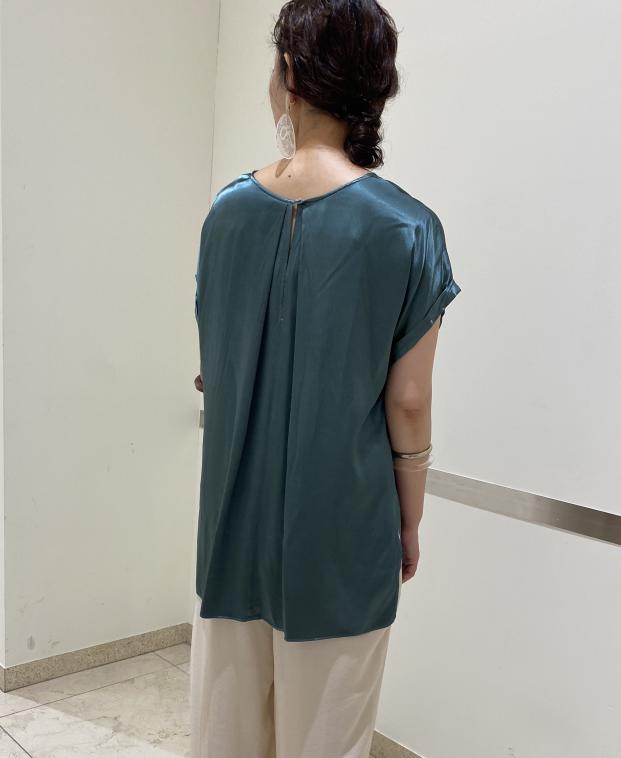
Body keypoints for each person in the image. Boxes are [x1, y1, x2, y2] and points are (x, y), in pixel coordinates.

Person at [189, 1, 462, 756]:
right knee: (327, 740)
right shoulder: (409, 228)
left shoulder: (226, 213)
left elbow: (217, 363)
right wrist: (408, 521)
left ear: (290, 73)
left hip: (231, 534)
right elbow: (409, 401)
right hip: (344, 537)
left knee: (226, 736)